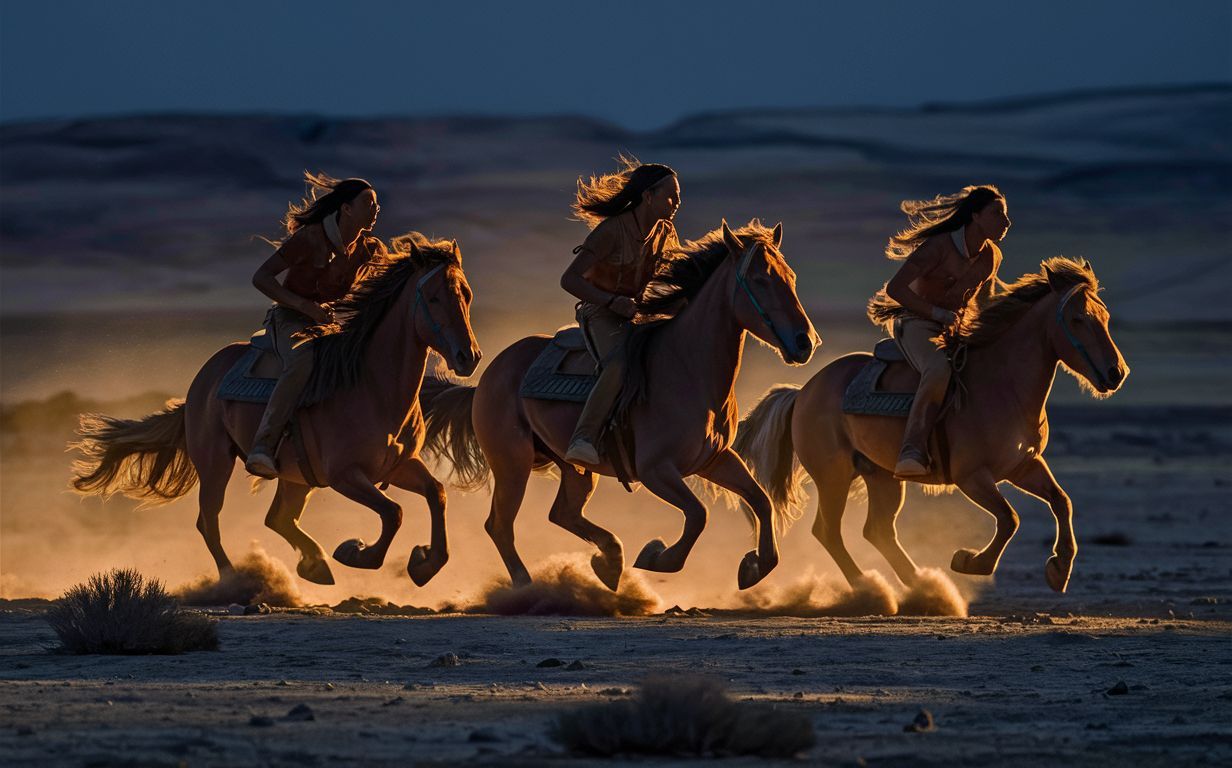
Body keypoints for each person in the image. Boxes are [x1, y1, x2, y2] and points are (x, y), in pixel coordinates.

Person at [244, 172, 382, 478]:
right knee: (301, 362)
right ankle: (262, 446)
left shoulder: (370, 249)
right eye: (368, 203)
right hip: (290, 318)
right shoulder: (310, 238)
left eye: (377, 205)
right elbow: (261, 278)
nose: (375, 210)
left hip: (332, 323)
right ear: (346, 208)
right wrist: (306, 307)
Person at [873, 185, 1011, 478]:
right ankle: (911, 450)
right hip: (916, 322)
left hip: (956, 326)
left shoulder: (992, 256)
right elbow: (896, 289)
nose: (1006, 221)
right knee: (938, 369)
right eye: (997, 213)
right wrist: (937, 314)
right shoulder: (937, 247)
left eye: (1005, 214)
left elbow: (984, 300)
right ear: (975, 216)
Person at [560, 158, 681, 465]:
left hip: (636, 311)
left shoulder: (665, 233)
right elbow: (569, 279)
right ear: (648, 196)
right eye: (671, 196)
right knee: (619, 363)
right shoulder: (611, 231)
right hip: (599, 312)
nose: (677, 203)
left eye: (678, 197)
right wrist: (612, 302)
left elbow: (671, 276)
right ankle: (583, 438)